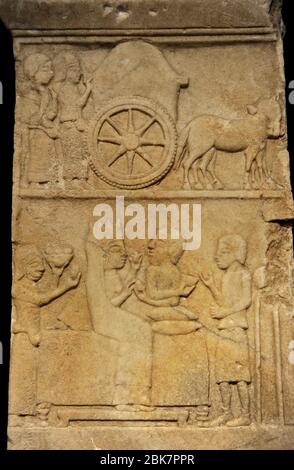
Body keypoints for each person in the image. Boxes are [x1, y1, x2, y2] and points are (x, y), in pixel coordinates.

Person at [200, 235, 252, 427]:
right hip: (224, 330)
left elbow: (246, 300)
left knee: (240, 376)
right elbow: (224, 302)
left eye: (222, 252)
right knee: (222, 375)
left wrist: (225, 312)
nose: (216, 256)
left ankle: (245, 415)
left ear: (235, 254)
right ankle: (226, 412)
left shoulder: (243, 273)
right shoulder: (226, 276)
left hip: (237, 330)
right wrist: (212, 286)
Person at [13, 246, 81, 347]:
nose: (42, 268)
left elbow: (49, 293)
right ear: (23, 267)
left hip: (36, 324)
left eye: (41, 264)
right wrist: (67, 286)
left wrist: (56, 275)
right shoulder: (17, 288)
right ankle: (20, 326)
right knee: (37, 340)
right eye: (35, 264)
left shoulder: (32, 285)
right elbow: (41, 299)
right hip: (28, 326)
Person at [19, 53, 59, 186]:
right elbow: (33, 119)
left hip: (45, 133)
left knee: (47, 156)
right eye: (45, 69)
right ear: (33, 72)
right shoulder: (29, 94)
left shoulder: (47, 92)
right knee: (36, 157)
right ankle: (34, 182)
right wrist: (46, 125)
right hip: (34, 134)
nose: (51, 73)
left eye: (51, 68)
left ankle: (48, 180)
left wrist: (53, 100)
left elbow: (50, 115)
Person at [54, 52, 92, 184]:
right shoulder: (65, 89)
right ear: (67, 72)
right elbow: (79, 104)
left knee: (80, 152)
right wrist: (88, 89)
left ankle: (80, 180)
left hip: (76, 126)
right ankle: (71, 182)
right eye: (75, 71)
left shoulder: (74, 88)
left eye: (79, 71)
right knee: (72, 153)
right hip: (70, 126)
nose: (79, 74)